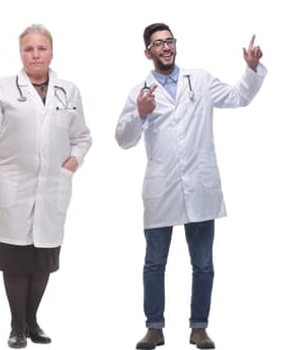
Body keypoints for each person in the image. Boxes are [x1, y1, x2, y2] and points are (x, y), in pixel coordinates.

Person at [117, 23, 265, 350]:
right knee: (155, 263)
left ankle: (199, 328)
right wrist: (140, 115)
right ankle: (154, 328)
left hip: (200, 185)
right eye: (158, 43)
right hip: (162, 188)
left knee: (203, 264)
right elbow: (123, 140)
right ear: (148, 52)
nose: (166, 47)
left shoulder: (198, 79)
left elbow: (239, 97)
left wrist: (251, 69)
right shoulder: (139, 91)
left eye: (169, 41)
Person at [0, 24, 92, 349]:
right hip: (13, 188)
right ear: (21, 53)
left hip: (52, 187)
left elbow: (81, 136)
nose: (35, 54)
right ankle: (17, 325)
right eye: (28, 49)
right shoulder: (3, 87)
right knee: (14, 260)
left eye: (41, 48)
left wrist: (73, 162)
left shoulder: (69, 90)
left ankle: (33, 320)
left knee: (42, 261)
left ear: (51, 51)